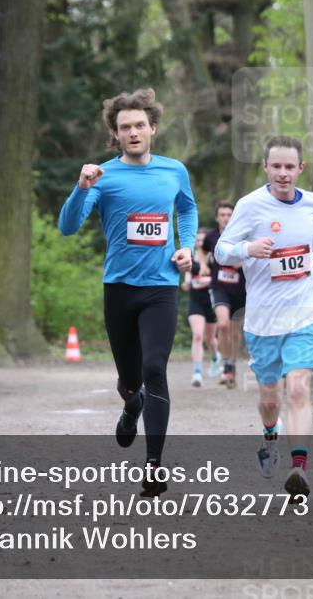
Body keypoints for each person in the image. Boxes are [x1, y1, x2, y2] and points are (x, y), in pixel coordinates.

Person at [58, 88, 197, 498]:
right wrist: (81, 187)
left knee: (155, 369)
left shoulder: (174, 171)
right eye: (124, 128)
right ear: (115, 135)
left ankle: (153, 465)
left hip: (161, 288)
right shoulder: (102, 176)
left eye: (139, 125)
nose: (133, 132)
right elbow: (68, 227)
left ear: (153, 128)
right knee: (130, 379)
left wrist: (185, 243)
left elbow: (187, 209)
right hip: (119, 288)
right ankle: (130, 403)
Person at [215, 136, 313, 500]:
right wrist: (247, 248)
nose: (283, 174)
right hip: (263, 321)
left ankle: (298, 469)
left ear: (301, 168)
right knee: (270, 399)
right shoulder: (250, 206)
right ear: (266, 167)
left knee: (299, 388)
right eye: (277, 167)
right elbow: (222, 252)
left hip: (305, 312)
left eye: (290, 167)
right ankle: (270, 435)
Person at [201, 201, 247, 388]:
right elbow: (202, 250)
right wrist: (204, 265)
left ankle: (232, 365)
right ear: (217, 217)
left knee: (235, 332)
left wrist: (243, 262)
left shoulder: (242, 236)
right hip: (219, 287)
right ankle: (227, 365)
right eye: (223, 215)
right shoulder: (211, 237)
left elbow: (253, 254)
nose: (226, 218)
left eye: (229, 214)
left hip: (240, 289)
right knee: (223, 324)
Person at [181, 228, 220, 387]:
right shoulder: (191, 258)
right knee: (197, 335)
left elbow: (219, 279)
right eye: (197, 240)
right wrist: (187, 282)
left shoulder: (215, 258)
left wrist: (208, 281)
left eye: (202, 240)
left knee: (210, 339)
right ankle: (197, 373)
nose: (199, 243)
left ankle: (216, 357)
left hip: (211, 302)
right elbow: (188, 276)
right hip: (195, 301)